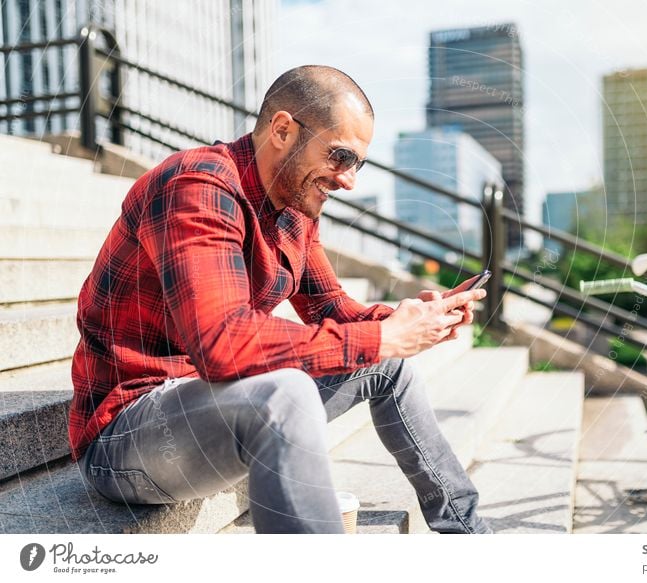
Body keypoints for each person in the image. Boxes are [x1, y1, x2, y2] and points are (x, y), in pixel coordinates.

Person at [69, 65, 491, 534]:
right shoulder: (195, 188)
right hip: (127, 435)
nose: (348, 180)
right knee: (284, 393)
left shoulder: (293, 208)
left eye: (357, 163)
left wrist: (412, 320)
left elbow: (334, 311)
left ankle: (470, 538)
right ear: (283, 130)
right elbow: (221, 345)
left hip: (218, 408)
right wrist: (381, 336)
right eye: (339, 156)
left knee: (387, 366)